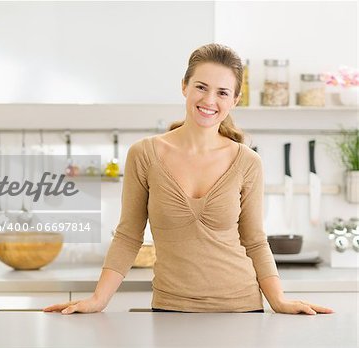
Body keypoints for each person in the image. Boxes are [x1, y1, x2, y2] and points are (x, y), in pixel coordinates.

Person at [44, 43, 334, 315]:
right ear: (184, 87)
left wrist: (278, 300)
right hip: (171, 308)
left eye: (222, 92)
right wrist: (98, 300)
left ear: (235, 99)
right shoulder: (144, 154)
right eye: (201, 87)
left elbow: (255, 241)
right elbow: (128, 235)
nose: (209, 100)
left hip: (242, 309)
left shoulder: (248, 162)